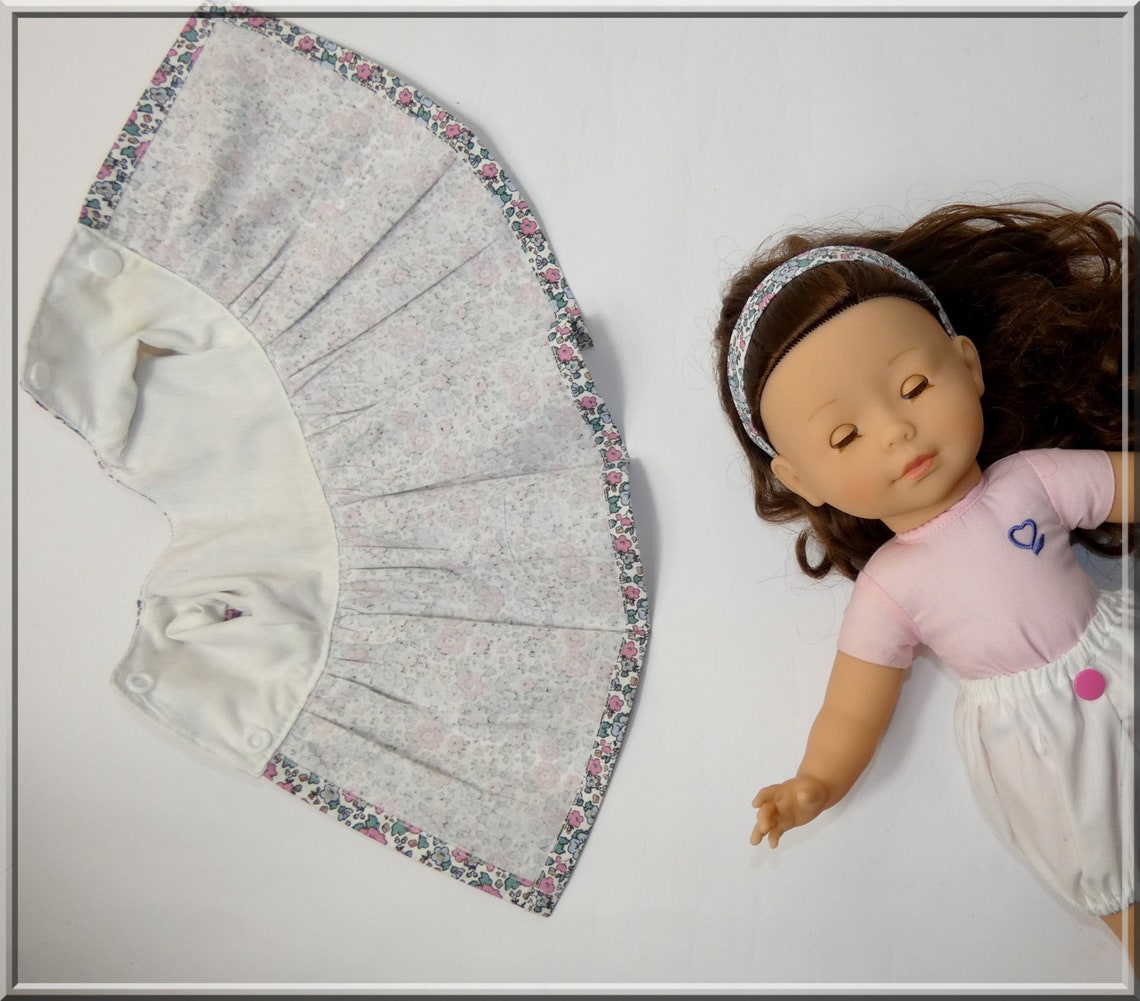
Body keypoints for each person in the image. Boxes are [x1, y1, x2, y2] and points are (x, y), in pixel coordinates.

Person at [712, 202, 1135, 965]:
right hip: (1043, 749)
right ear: (803, 480)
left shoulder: (1032, 480)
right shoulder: (890, 588)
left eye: (912, 385)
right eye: (846, 435)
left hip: (1122, 655)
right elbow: (852, 708)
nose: (897, 430)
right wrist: (814, 781)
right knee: (1117, 876)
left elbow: (1127, 482)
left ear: (966, 366)